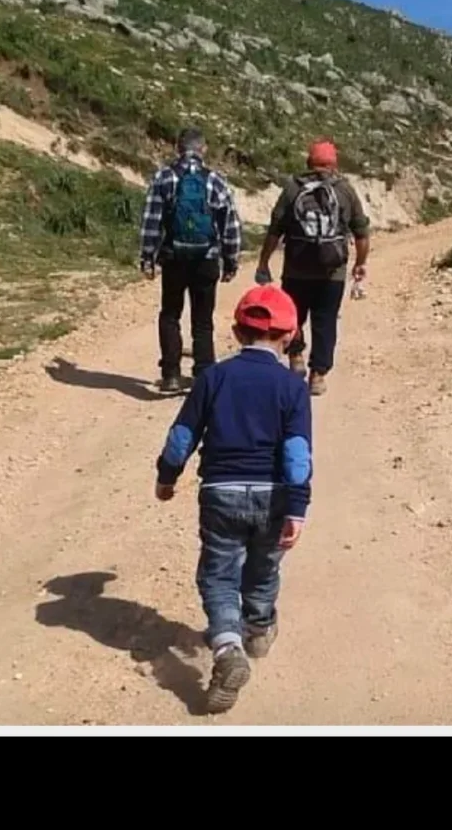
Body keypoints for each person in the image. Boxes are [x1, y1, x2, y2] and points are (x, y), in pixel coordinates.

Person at [154, 284, 312, 714]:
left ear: (237, 331)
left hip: (220, 493)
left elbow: (181, 437)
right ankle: (257, 629)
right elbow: (297, 456)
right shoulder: (292, 386)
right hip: (274, 494)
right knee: (263, 567)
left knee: (219, 574)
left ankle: (227, 648)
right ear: (289, 334)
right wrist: (298, 507)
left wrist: (166, 478)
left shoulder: (214, 377)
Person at [254, 139, 370, 396]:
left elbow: (275, 230)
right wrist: (360, 264)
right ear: (334, 164)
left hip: (296, 269)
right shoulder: (345, 190)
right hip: (333, 272)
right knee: (326, 321)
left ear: (309, 162)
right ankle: (318, 374)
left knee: (293, 317)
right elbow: (361, 233)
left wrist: (263, 262)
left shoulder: (293, 188)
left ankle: (296, 358)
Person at [139, 127, 242, 393]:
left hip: (174, 256)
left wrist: (147, 256)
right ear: (203, 149)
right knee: (203, 319)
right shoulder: (216, 180)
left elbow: (151, 221)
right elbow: (230, 224)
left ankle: (171, 374)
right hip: (206, 258)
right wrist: (230, 260)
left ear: (177, 147)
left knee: (171, 313)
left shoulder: (163, 177)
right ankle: (204, 375)